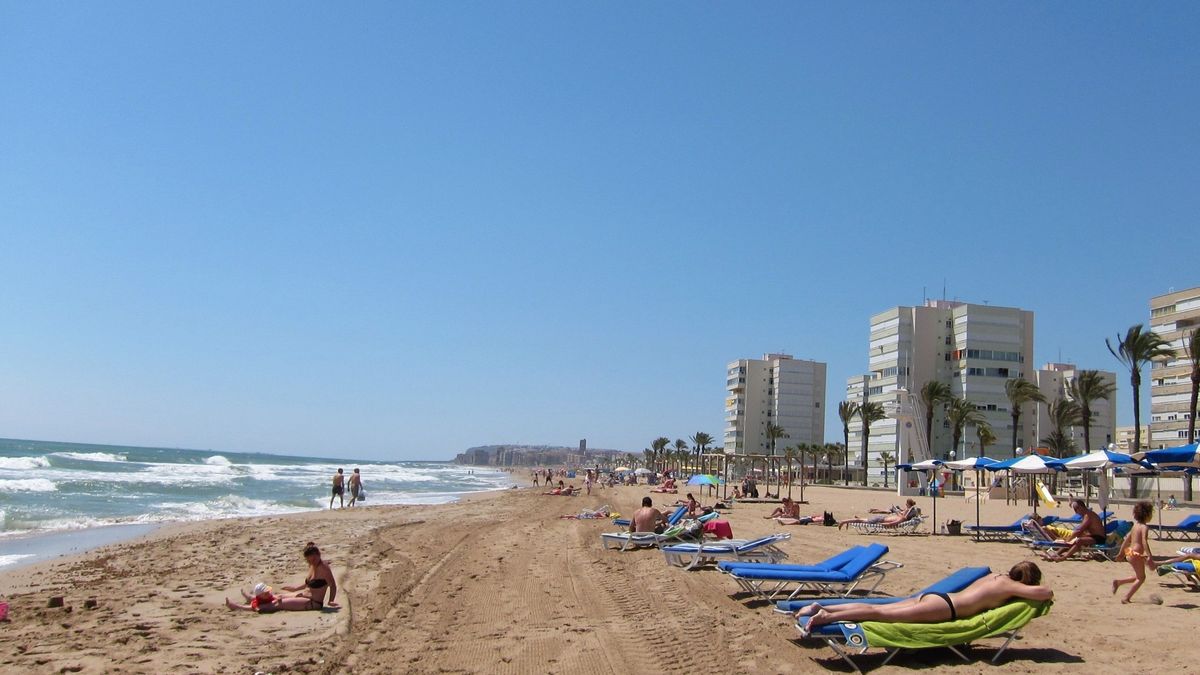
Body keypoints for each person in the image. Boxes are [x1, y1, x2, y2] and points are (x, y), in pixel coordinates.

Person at [796, 561, 1052, 635]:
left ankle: (824, 606)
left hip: (938, 597)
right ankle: (825, 616)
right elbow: (1045, 593)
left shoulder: (996, 576)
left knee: (877, 607)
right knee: (879, 613)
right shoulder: (1010, 586)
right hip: (946, 609)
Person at [1113, 501, 1154, 603]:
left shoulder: (1135, 526)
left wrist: (1121, 553)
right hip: (1136, 553)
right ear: (1147, 515)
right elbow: (1144, 541)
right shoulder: (1144, 527)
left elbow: (1127, 540)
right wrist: (1149, 556)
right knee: (1141, 578)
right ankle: (1126, 597)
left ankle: (1119, 582)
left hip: (1129, 551)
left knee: (1138, 576)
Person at [837, 499, 918, 530]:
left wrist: (881, 524)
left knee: (861, 520)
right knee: (860, 520)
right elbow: (890, 524)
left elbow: (891, 523)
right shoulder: (902, 518)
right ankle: (843, 521)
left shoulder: (901, 517)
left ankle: (845, 522)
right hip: (879, 519)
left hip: (881, 518)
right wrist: (881, 524)